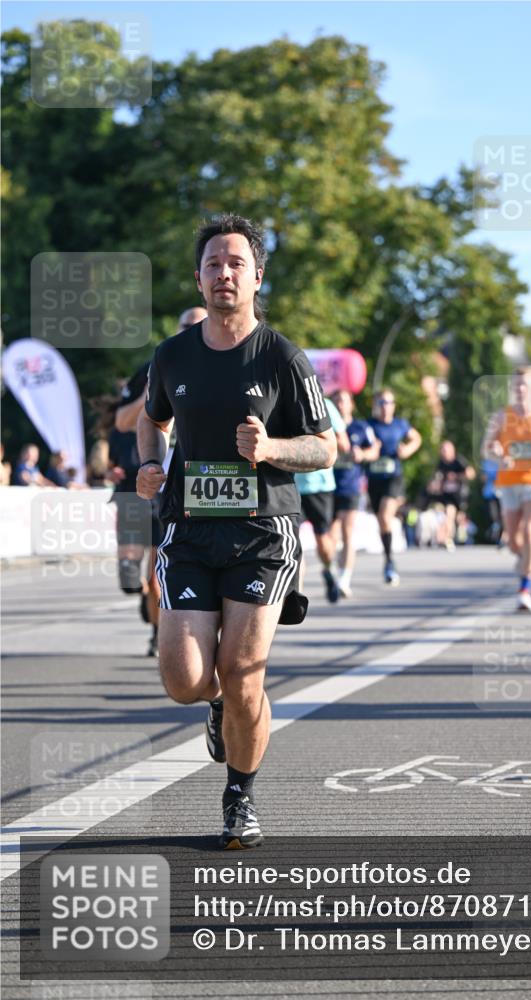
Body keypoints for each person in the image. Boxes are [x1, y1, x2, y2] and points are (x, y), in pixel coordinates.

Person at [136, 214, 336, 850]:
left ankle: (240, 797)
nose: (224, 273)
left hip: (261, 534)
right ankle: (218, 703)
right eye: (213, 264)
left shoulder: (282, 357)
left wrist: (272, 447)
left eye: (236, 263)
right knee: (184, 681)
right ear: (199, 279)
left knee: (243, 669)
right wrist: (149, 464)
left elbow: (326, 446)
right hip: (188, 532)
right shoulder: (172, 355)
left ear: (257, 277)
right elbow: (151, 420)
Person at [113, 306, 208, 656]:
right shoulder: (157, 365)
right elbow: (122, 421)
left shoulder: (225, 367)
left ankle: (158, 630)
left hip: (182, 487)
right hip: (139, 482)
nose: (192, 330)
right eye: (186, 324)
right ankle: (145, 601)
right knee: (129, 577)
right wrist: (151, 395)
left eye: (199, 324)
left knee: (159, 574)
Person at [482, 367, 531, 611]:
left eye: (525, 384)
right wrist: (498, 456)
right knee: (514, 541)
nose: (521, 389)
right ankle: (523, 558)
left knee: (530, 530)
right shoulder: (501, 416)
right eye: (517, 384)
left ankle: (525, 588)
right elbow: (486, 448)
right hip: (509, 482)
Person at [294, 397, 349, 603]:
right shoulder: (285, 399)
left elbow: (344, 444)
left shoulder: (324, 404)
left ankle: (328, 569)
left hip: (320, 486)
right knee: (293, 542)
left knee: (323, 542)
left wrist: (319, 440)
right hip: (292, 484)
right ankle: (296, 595)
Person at [367, 389, 422, 585]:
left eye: (389, 403)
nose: (385, 407)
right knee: (382, 522)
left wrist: (407, 450)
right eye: (381, 403)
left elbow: (417, 438)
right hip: (374, 479)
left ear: (394, 406)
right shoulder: (368, 425)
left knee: (385, 516)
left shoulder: (400, 424)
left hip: (394, 477)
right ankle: (388, 557)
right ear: (375, 405)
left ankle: (390, 562)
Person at [330, 389, 379, 597]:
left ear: (351, 404)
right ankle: (333, 572)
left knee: (348, 532)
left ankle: (344, 579)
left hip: (351, 486)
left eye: (344, 401)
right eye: (336, 401)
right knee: (330, 535)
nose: (340, 405)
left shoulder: (361, 427)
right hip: (328, 487)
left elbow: (375, 450)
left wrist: (363, 454)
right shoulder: (325, 426)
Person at [425, 440, 475, 551]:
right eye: (442, 451)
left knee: (457, 518)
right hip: (446, 496)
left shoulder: (459, 461)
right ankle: (446, 538)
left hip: (459, 495)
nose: (443, 453)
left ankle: (452, 537)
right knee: (448, 515)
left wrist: (456, 476)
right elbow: (436, 477)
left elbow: (471, 474)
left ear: (452, 451)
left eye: (445, 450)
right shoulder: (441, 463)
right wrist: (434, 485)